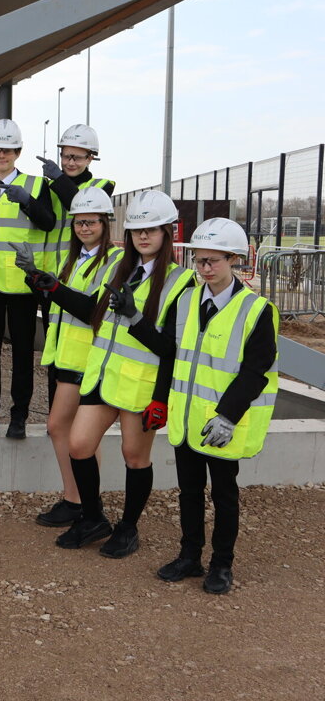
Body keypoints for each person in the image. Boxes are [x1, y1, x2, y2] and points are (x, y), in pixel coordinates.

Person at [26, 190, 194, 558]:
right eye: (137, 231)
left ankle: (128, 527)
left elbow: (172, 349)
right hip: (102, 377)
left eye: (152, 230)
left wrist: (160, 397)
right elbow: (93, 314)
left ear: (167, 233)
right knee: (78, 445)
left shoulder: (182, 283)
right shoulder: (120, 271)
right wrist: (50, 289)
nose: (144, 237)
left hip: (139, 386)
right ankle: (93, 517)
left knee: (135, 457)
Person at [133, 218, 277, 594]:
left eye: (213, 260)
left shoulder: (256, 310)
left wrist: (227, 416)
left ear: (234, 260)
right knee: (189, 492)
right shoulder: (185, 301)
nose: (205, 268)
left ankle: (222, 565)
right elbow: (170, 353)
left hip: (221, 425)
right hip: (186, 419)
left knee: (224, 495)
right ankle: (189, 556)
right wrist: (136, 323)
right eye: (199, 260)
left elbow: (255, 371)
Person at [23, 187, 123, 527]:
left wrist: (53, 288)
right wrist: (39, 281)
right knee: (61, 428)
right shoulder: (74, 258)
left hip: (90, 358)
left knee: (71, 431)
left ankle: (82, 502)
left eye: (91, 222)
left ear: (105, 223)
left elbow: (93, 309)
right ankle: (76, 499)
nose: (84, 228)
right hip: (67, 355)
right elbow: (62, 303)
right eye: (79, 222)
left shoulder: (114, 261)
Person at [0, 119, 56, 438]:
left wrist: (27, 202)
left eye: (7, 150)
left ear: (17, 152)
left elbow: (48, 223)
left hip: (22, 283)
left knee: (21, 354)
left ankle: (19, 417)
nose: (1, 155)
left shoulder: (35, 185)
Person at [35, 124, 115, 406]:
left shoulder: (102, 187)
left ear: (90, 158)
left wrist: (58, 180)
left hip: (86, 277)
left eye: (77, 158)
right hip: (54, 277)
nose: (69, 162)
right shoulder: (50, 185)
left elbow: (81, 205)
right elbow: (43, 221)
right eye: (66, 156)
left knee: (83, 345)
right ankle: (55, 411)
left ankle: (82, 411)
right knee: (54, 342)